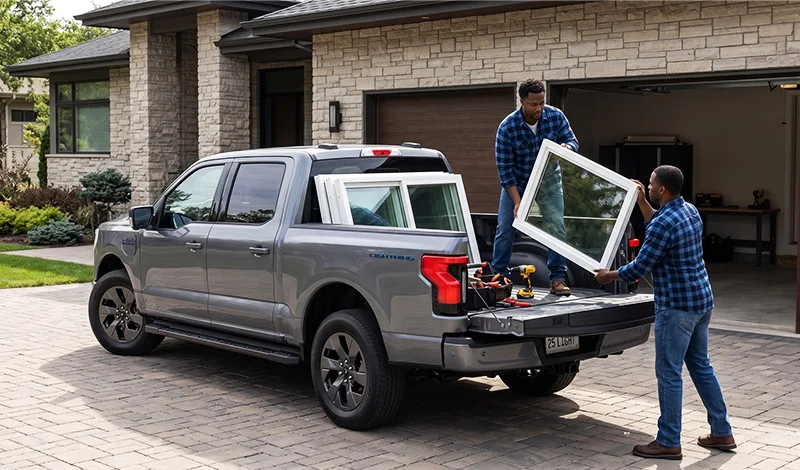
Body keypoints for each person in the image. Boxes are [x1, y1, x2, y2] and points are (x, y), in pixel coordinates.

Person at [595, 165, 735, 460]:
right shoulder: (690, 211)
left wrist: (610, 276)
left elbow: (640, 267)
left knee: (668, 373)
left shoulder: (662, 224)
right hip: (701, 301)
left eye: (650, 184)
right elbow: (659, 224)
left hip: (676, 307)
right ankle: (722, 431)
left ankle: (669, 441)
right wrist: (641, 202)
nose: (648, 185)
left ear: (662, 189)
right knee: (701, 366)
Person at [492, 78, 579, 296]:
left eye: (541, 103)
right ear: (521, 101)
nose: (538, 108)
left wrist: (567, 147)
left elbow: (573, 141)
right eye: (533, 104)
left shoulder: (555, 116)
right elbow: (505, 170)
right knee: (505, 229)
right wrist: (517, 201)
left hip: (548, 182)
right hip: (517, 184)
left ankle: (557, 278)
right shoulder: (507, 128)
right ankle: (499, 276)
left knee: (556, 227)